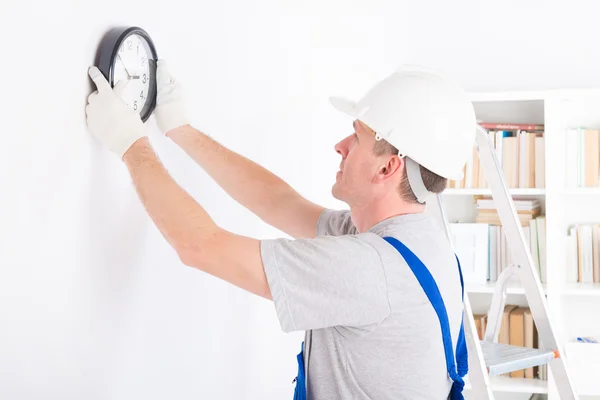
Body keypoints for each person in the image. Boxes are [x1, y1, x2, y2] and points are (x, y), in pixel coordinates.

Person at [85, 61, 476, 400]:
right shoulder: (412, 241)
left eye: (356, 137)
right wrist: (182, 130)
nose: (340, 146)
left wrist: (130, 144)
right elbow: (280, 203)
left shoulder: (369, 269)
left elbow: (200, 245)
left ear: (387, 168)